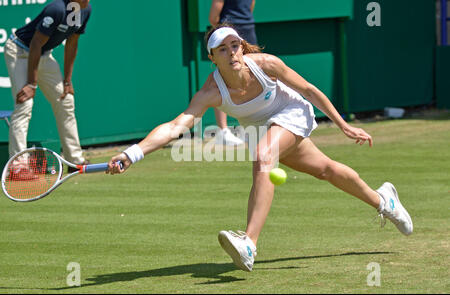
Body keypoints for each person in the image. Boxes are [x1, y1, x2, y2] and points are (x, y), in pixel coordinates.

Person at [107, 25, 413, 272]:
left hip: (292, 115)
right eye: (222, 49)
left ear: (242, 46)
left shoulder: (266, 65)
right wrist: (132, 153)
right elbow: (175, 126)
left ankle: (249, 243)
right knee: (326, 170)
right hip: (265, 130)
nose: (232, 53)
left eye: (235, 45)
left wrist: (343, 124)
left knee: (265, 156)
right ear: (212, 57)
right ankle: (384, 201)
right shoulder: (211, 91)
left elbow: (308, 90)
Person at [4, 0, 91, 176]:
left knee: (66, 100)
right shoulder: (56, 9)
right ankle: (18, 166)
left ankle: (75, 160)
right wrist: (31, 83)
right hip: (20, 52)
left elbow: (72, 43)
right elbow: (35, 44)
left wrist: (67, 80)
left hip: (43, 55)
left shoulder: (85, 10)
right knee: (24, 105)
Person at [209, 0, 257, 146]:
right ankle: (223, 131)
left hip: (242, 28)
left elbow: (214, 17)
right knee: (223, 80)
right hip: (230, 29)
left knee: (251, 76)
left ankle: (252, 127)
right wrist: (223, 34)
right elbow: (214, 16)